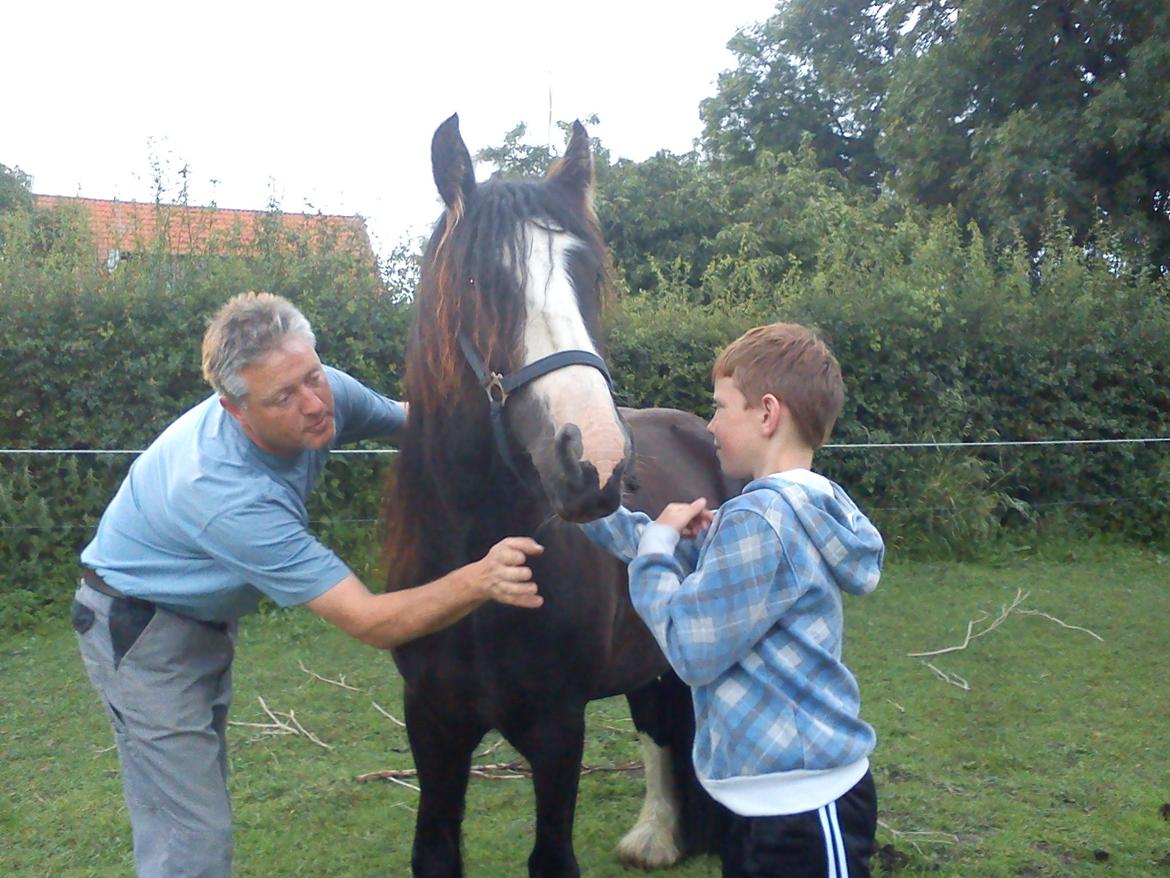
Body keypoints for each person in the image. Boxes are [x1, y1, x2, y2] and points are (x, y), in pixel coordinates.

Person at [70, 291, 544, 878]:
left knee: (194, 799)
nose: (316, 404)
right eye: (284, 397)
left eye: (313, 376)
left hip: (198, 618)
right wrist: (479, 577)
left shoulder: (323, 391)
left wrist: (525, 423)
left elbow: (413, 422)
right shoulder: (225, 494)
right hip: (140, 630)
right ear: (235, 409)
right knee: (188, 834)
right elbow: (369, 620)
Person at [581, 322, 884, 878]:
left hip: (800, 811)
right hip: (765, 802)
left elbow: (691, 650)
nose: (712, 425)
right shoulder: (783, 510)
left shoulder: (760, 521)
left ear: (768, 414)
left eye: (721, 407)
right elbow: (676, 558)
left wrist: (656, 548)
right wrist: (595, 511)